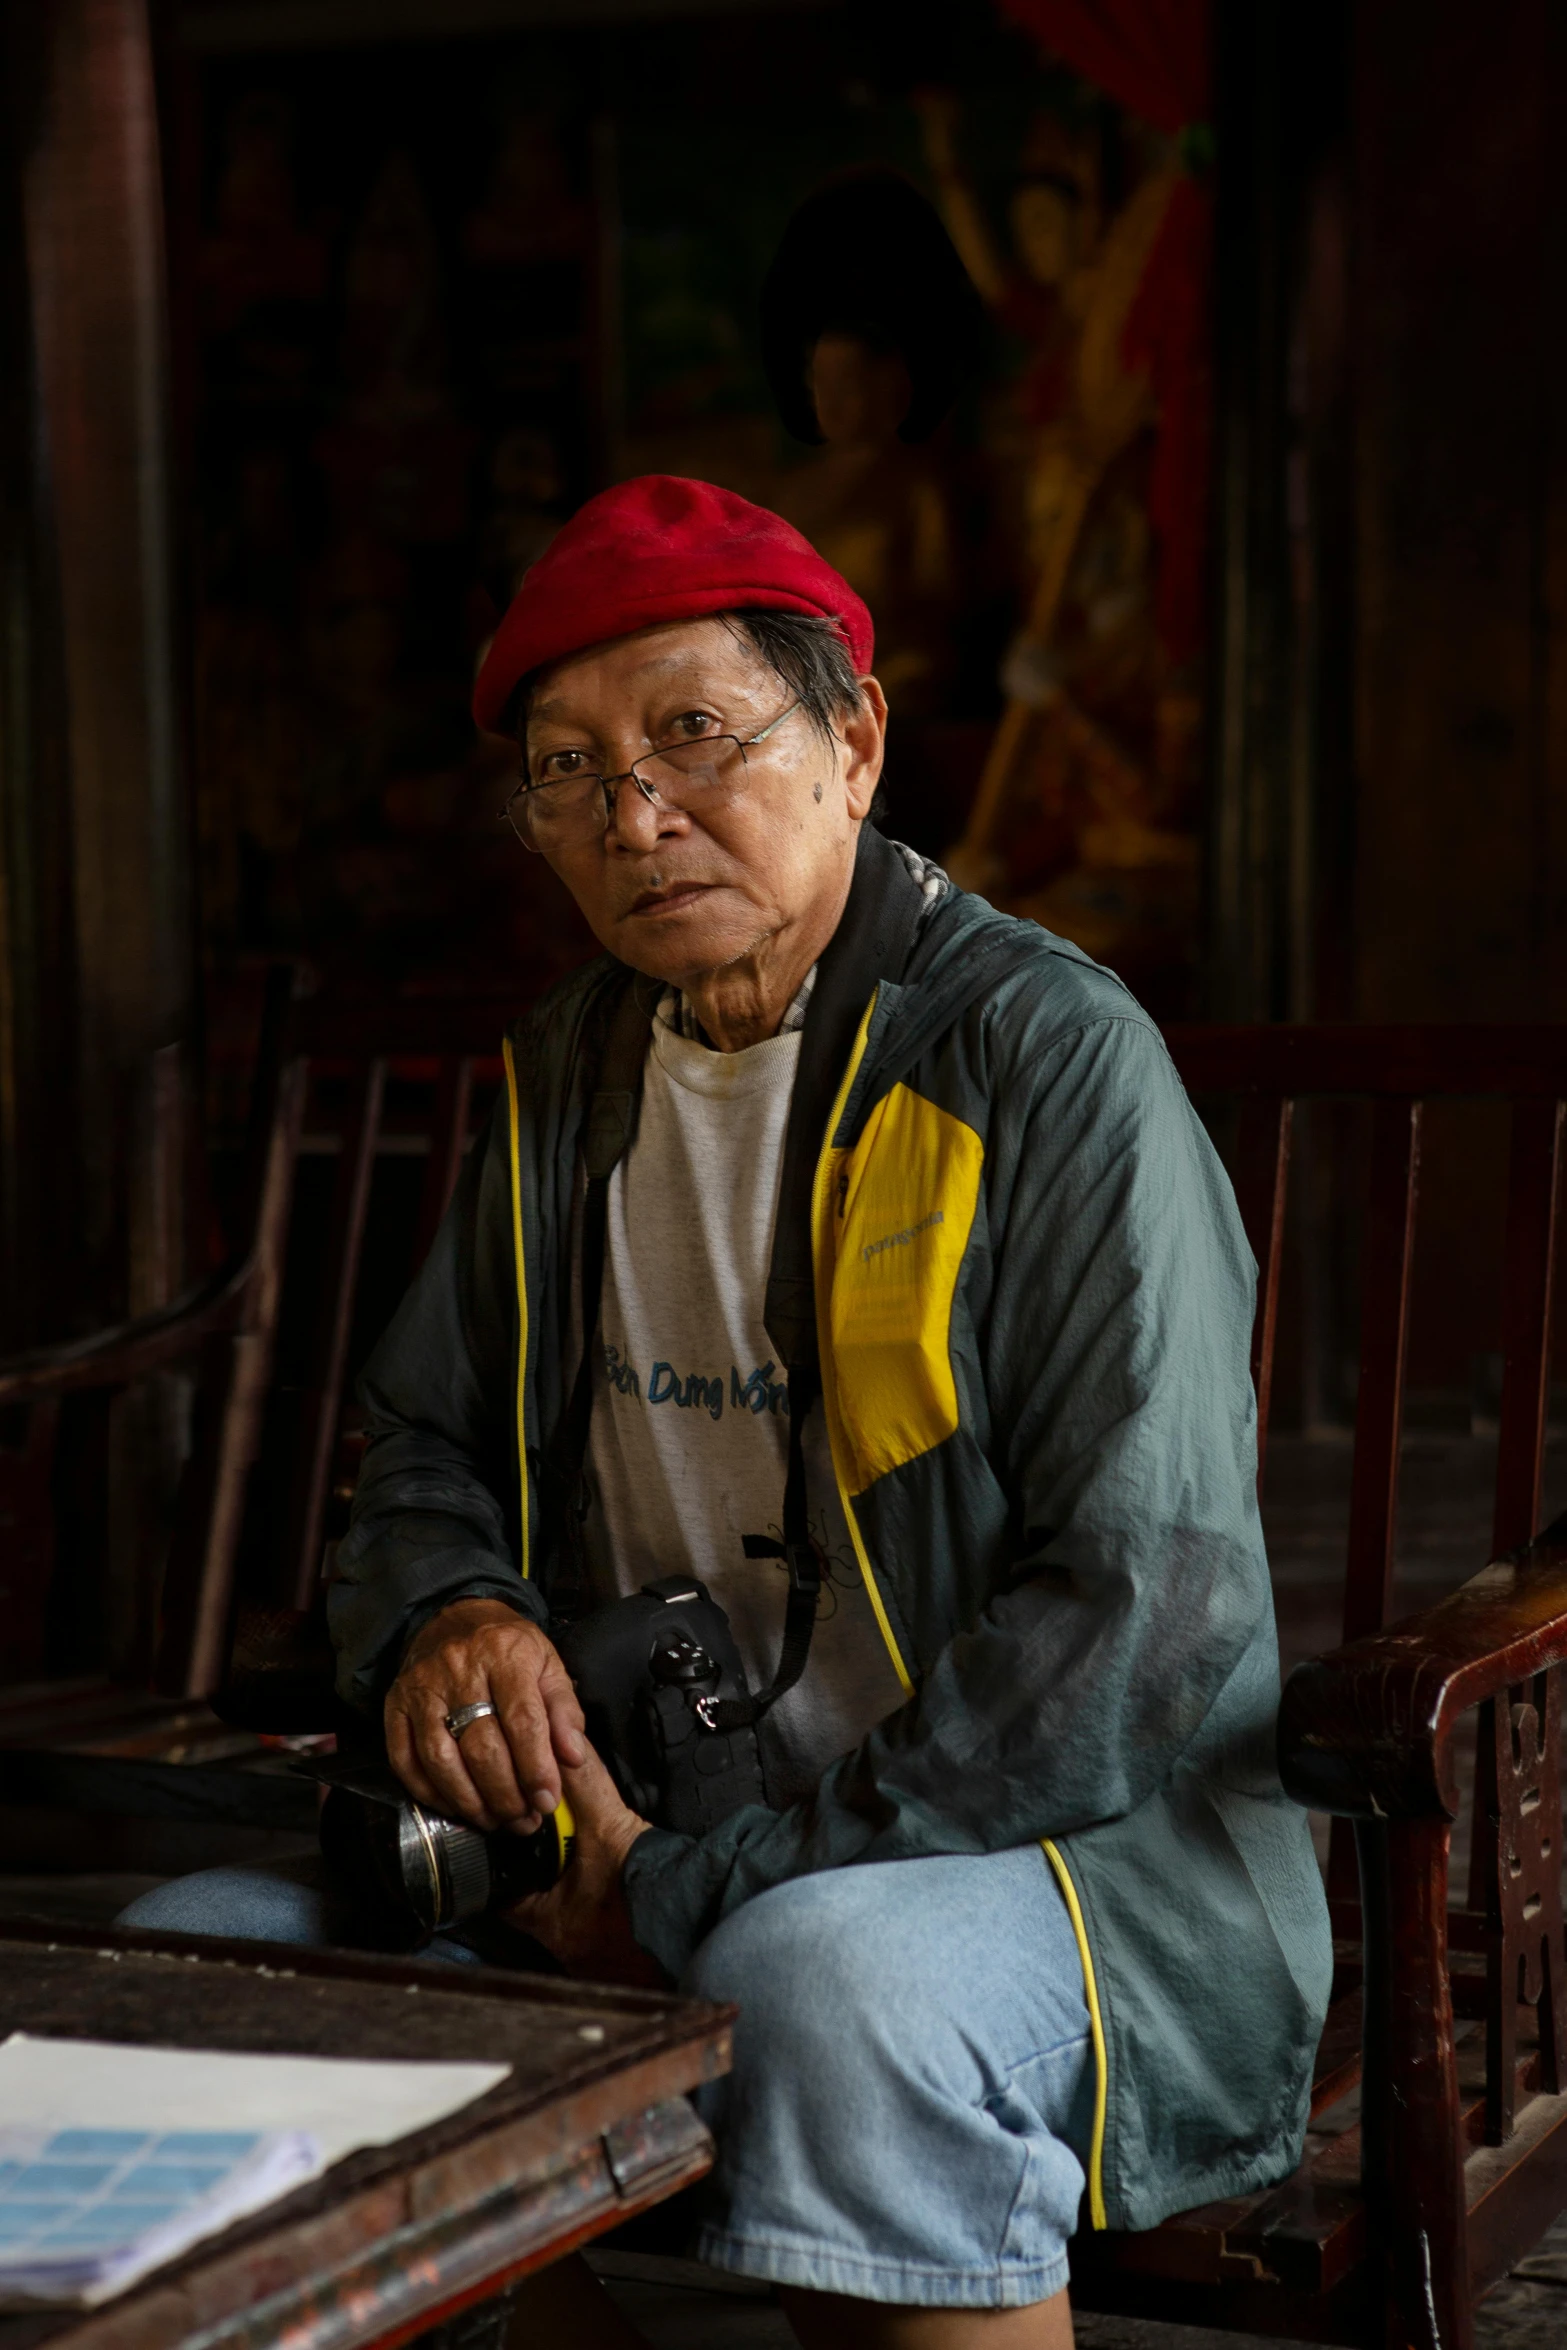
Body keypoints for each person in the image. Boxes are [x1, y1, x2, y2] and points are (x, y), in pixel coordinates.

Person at [125, 477, 1331, 2350]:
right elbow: (422, 1445)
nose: (635, 813)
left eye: (694, 733)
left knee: (814, 1974)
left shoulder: (1043, 1056)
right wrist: (460, 1611)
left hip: (1061, 1863)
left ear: (849, 743)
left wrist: (697, 1888)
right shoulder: (568, 1073)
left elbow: (1138, 1606)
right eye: (566, 768)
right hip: (633, 1817)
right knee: (204, 1951)